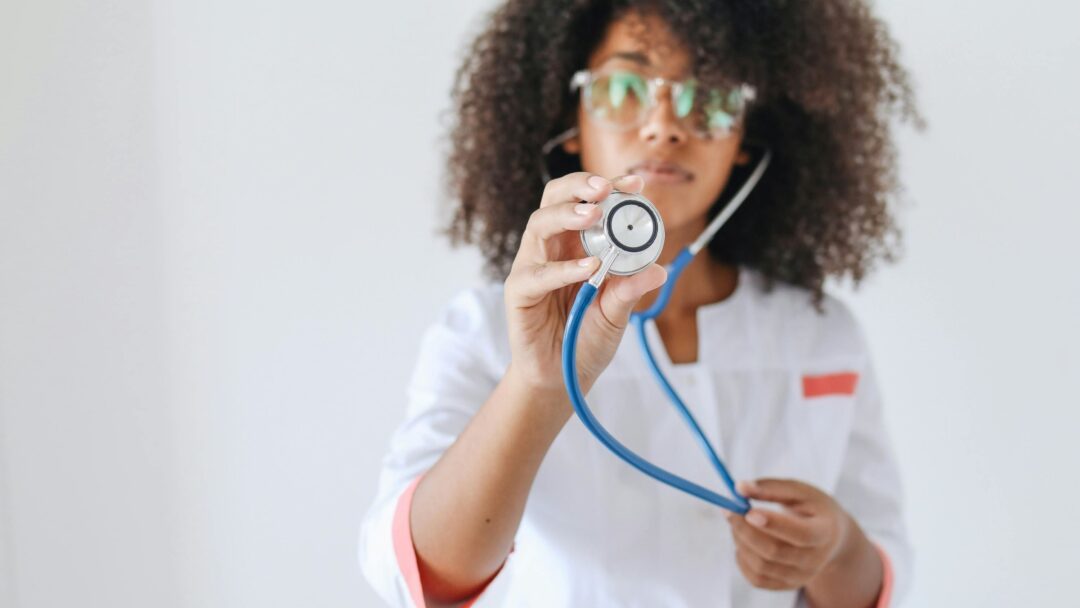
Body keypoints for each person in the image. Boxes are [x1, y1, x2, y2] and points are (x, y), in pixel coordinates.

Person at [360, 0, 922, 606]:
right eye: (625, 87)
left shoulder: (820, 334)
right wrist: (538, 385)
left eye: (707, 96)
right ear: (570, 118)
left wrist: (836, 547)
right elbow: (412, 576)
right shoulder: (482, 331)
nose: (663, 125)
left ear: (743, 137)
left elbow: (879, 574)